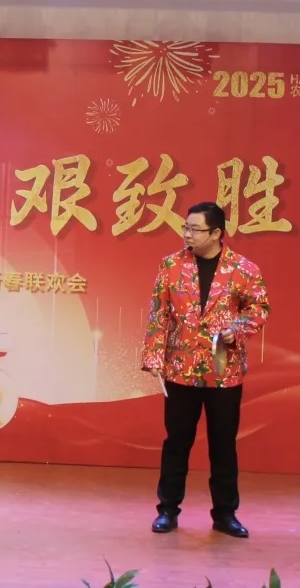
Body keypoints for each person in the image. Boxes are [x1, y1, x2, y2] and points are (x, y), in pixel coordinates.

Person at [141, 201, 269, 539]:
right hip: (180, 369)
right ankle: (167, 510)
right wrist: (154, 357)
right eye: (185, 227)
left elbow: (259, 308)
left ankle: (225, 514)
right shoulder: (171, 265)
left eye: (195, 229)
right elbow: (159, 314)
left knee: (223, 445)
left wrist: (235, 329)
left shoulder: (243, 268)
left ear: (216, 233)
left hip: (223, 371)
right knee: (176, 442)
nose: (187, 234)